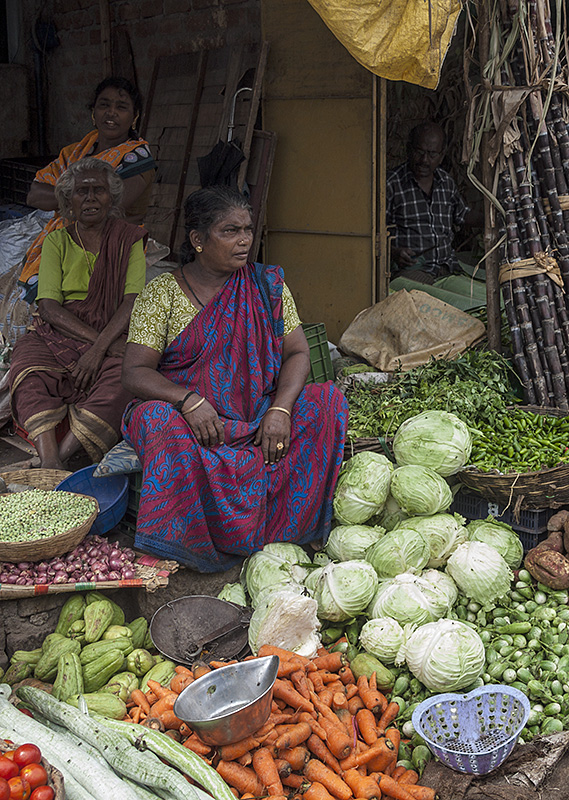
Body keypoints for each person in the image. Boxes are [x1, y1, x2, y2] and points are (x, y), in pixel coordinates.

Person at [121, 185, 348, 572]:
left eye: (247, 230)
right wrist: (187, 400)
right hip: (194, 422)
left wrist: (281, 408)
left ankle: (282, 535)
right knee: (155, 421)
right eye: (230, 231)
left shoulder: (266, 286)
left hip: (258, 416)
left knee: (326, 402)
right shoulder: (162, 294)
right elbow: (134, 371)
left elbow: (297, 352)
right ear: (197, 239)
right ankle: (186, 545)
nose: (244, 241)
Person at [9, 158, 147, 470]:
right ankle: (49, 459)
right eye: (81, 191)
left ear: (111, 198)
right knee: (27, 365)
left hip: (112, 328)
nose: (90, 198)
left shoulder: (129, 239)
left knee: (127, 375)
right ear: (68, 200)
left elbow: (132, 301)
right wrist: (102, 345)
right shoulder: (56, 240)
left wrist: (100, 349)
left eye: (98, 190)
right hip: (60, 330)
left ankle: (61, 457)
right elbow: (48, 307)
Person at [18, 76, 156, 301]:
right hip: (68, 238)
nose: (111, 113)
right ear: (93, 113)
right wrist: (76, 198)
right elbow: (34, 195)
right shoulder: (75, 153)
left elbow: (109, 208)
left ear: (135, 117)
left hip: (109, 244)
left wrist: (66, 194)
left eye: (121, 107)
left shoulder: (136, 158)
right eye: (104, 105)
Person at [386, 121, 469, 284]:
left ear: (441, 155)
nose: (424, 160)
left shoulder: (445, 182)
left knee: (479, 300)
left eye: (432, 154)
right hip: (413, 271)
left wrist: (500, 215)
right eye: (419, 152)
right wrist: (393, 252)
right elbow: (373, 234)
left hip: (447, 268)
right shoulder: (391, 184)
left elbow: (463, 214)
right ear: (408, 149)